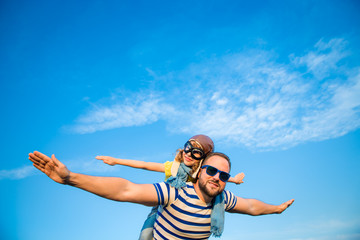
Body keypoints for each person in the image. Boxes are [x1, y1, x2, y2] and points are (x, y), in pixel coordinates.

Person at [29, 150, 294, 239]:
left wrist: (276, 209)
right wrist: (71, 178)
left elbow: (251, 206)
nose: (217, 178)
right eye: (212, 170)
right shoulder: (175, 192)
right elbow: (126, 190)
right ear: (200, 171)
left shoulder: (222, 201)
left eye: (224, 176)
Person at [96, 135, 245, 239]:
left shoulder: (202, 173)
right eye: (188, 148)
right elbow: (145, 165)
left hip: (187, 214)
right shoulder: (173, 167)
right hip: (163, 208)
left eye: (196, 153)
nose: (189, 154)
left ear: (203, 159)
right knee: (145, 235)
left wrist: (234, 179)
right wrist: (117, 161)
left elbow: (218, 175)